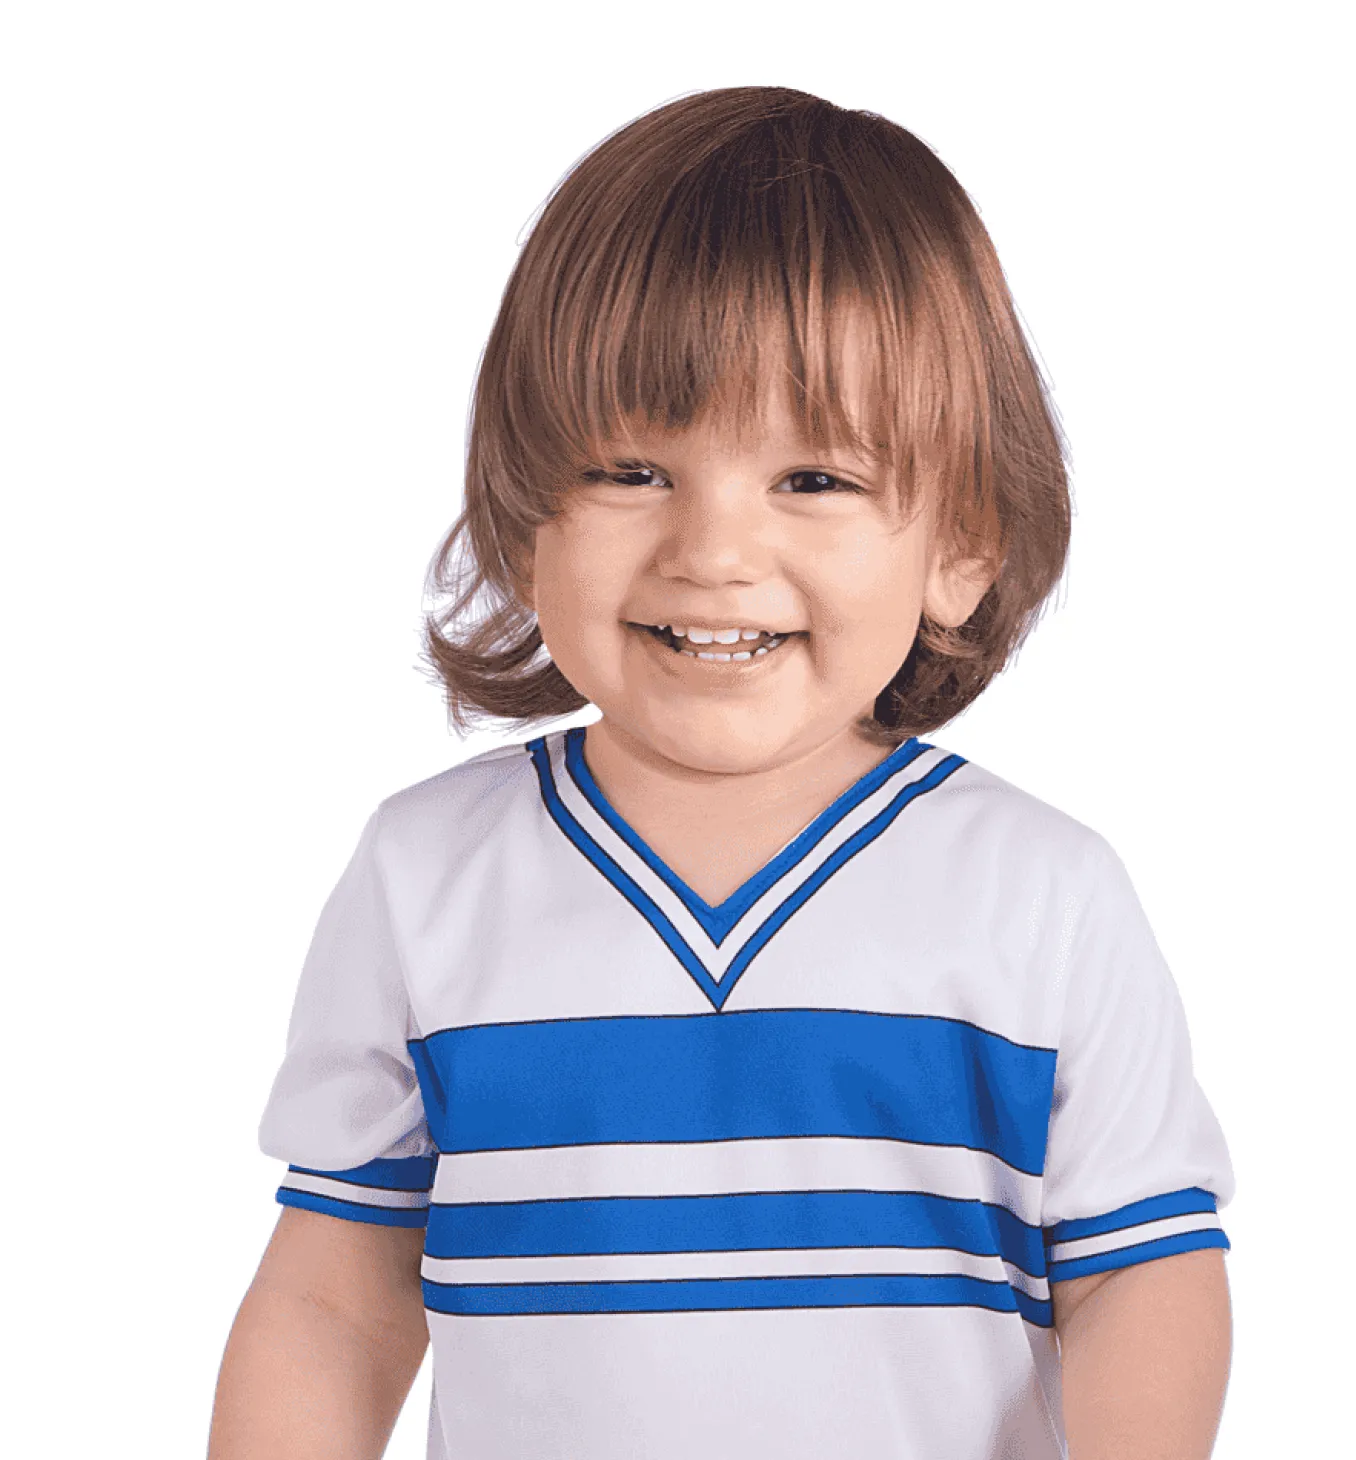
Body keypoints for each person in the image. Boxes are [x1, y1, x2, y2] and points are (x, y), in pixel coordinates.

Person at [207, 85, 1235, 1460]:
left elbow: (1136, 1277)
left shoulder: (1040, 896)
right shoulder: (425, 877)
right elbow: (337, 1297)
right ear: (522, 514)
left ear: (963, 546)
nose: (713, 551)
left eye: (813, 480)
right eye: (632, 469)